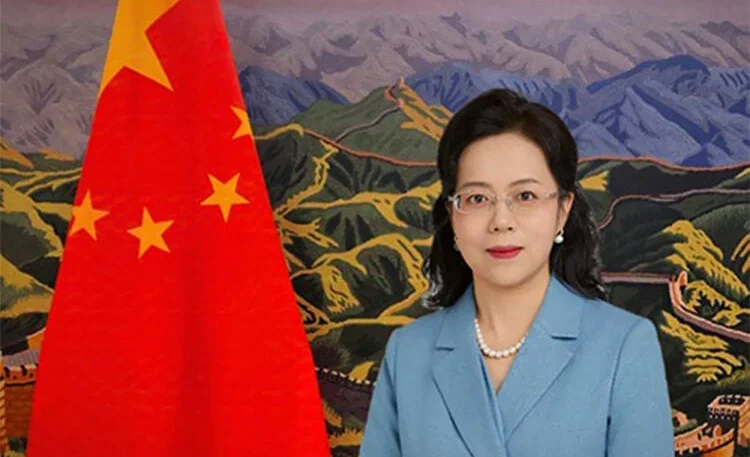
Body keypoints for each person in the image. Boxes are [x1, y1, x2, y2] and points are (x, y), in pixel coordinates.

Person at [360, 89, 674, 456]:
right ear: (451, 215)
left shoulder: (624, 347)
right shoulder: (409, 353)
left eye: (525, 196)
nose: (501, 221)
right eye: (477, 198)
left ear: (562, 209)